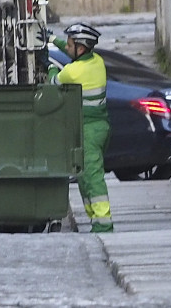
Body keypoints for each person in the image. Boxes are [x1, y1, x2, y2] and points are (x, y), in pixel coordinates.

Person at [50, 23, 114, 233]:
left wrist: (47, 63)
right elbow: (69, 54)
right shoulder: (97, 62)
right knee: (85, 176)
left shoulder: (74, 72)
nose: (66, 47)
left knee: (93, 178)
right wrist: (52, 40)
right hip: (99, 127)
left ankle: (103, 224)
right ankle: (96, 218)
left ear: (81, 48)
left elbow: (54, 80)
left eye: (70, 45)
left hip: (89, 130)